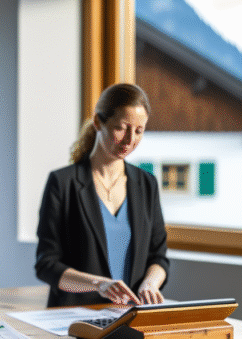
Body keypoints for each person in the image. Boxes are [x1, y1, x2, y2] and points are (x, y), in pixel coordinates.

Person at [34, 83, 169, 307]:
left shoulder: (147, 184)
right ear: (98, 122)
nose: (129, 140)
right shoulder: (62, 183)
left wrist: (150, 283)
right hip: (73, 317)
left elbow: (158, 257)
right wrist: (99, 284)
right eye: (121, 128)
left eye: (139, 131)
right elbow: (46, 265)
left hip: (128, 316)